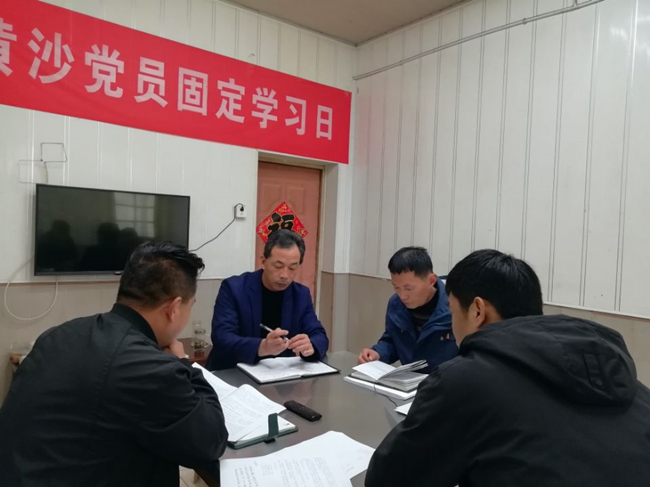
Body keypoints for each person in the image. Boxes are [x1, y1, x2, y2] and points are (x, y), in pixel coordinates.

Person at [365, 249, 650, 487]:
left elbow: (388, 478)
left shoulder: (465, 381)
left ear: (478, 311)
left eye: (452, 311)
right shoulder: (626, 380)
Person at [0, 242, 228, 487]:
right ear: (173, 308)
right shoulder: (148, 368)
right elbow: (210, 440)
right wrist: (184, 363)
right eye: (190, 306)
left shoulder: (59, 334)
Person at [208, 229, 329, 370]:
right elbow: (222, 338)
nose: (284, 275)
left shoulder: (301, 294)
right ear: (263, 261)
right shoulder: (234, 289)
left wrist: (311, 346)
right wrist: (261, 347)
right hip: (235, 372)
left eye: (292, 268)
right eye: (278, 266)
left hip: (281, 375)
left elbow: (319, 335)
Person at [358, 247, 457, 373]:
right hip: (410, 382)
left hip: (447, 381)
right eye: (396, 288)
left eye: (408, 288)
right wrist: (377, 353)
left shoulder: (456, 307)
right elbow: (393, 341)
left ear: (431, 280)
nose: (402, 296)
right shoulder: (396, 304)